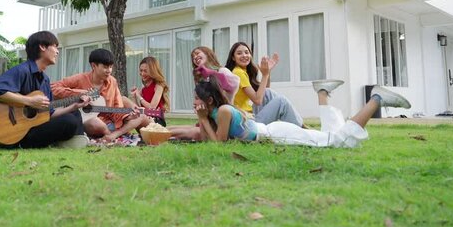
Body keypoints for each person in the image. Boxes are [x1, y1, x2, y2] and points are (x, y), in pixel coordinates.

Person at [194, 76, 411, 147]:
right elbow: (207, 140)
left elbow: (219, 145)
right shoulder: (215, 113)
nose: (195, 102)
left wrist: (203, 119)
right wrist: (203, 119)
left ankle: (376, 98)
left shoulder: (223, 110)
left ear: (209, 100)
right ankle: (322, 92)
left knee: (338, 142)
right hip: (272, 132)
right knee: (330, 134)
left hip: (275, 134)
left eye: (197, 98)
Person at [0, 31, 91, 149]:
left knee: (73, 113)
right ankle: (63, 142)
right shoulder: (22, 70)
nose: (57, 51)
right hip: (16, 133)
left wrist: (74, 105)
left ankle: (76, 141)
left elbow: (49, 113)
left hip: (32, 130)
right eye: (55, 47)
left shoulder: (45, 79)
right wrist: (29, 101)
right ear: (42, 47)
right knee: (70, 121)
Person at [52, 48, 151, 142]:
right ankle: (113, 136)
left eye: (111, 67)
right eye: (105, 67)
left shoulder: (112, 82)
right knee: (95, 123)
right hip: (87, 123)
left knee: (142, 116)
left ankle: (112, 136)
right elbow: (53, 87)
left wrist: (128, 117)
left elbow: (117, 108)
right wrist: (80, 94)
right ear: (94, 66)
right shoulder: (80, 78)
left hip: (110, 124)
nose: (109, 70)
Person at [168, 46, 240, 140]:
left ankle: (158, 133)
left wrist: (211, 72)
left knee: (193, 132)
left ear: (208, 54)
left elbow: (235, 83)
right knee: (181, 128)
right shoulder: (203, 78)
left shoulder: (222, 71)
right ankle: (156, 131)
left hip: (223, 121)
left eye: (197, 53)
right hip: (211, 119)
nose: (195, 57)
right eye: (193, 57)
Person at [225, 42, 304, 126]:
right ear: (233, 57)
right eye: (239, 53)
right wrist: (265, 75)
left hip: (250, 115)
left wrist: (267, 72)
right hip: (247, 122)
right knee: (282, 101)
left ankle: (297, 124)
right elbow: (257, 100)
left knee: (267, 92)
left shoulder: (241, 71)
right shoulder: (238, 72)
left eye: (246, 52)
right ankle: (301, 128)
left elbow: (263, 92)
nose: (244, 55)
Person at [130, 56, 170, 127]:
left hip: (156, 122)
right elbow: (138, 109)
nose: (142, 74)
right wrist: (134, 96)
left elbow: (152, 107)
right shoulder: (143, 90)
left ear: (153, 71)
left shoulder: (159, 86)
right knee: (131, 113)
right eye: (141, 70)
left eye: (145, 71)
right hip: (144, 120)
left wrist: (139, 97)